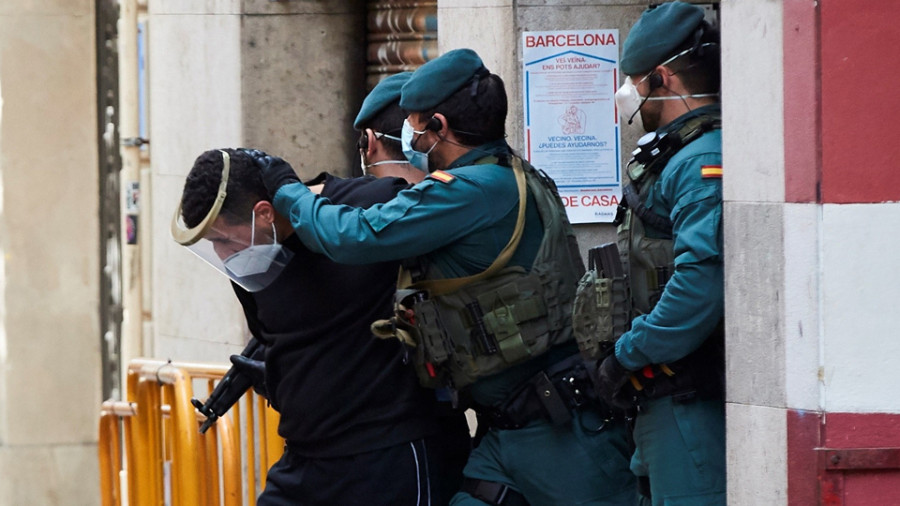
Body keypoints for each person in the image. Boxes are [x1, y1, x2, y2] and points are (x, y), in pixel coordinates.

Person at [251, 48, 639, 505]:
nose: (409, 136)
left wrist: (288, 190)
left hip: (559, 438)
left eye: (414, 125)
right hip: (507, 433)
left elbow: (352, 236)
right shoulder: (508, 175)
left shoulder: (470, 193)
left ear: (439, 126)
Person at [172, 71, 469, 505]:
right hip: (306, 460)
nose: (222, 254)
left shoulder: (372, 205)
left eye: (222, 239)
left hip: (388, 457)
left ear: (263, 213)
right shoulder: (256, 262)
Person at [592, 2, 725, 505]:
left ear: (661, 78)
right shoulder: (672, 154)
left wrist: (628, 354)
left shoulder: (700, 160)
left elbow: (699, 285)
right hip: (659, 400)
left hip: (686, 398)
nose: (627, 93)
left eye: (633, 80)